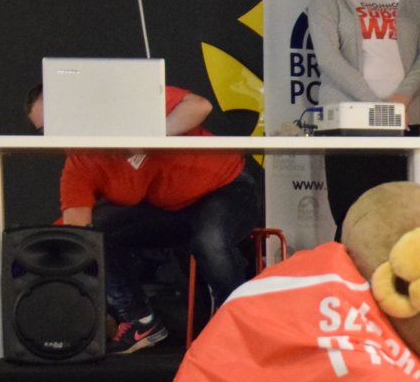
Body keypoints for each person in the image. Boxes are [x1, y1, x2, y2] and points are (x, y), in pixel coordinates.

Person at [27, 83, 258, 354]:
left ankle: (237, 324)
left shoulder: (128, 104)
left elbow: (199, 106)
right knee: (97, 233)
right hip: (173, 211)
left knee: (210, 240)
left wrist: (150, 137)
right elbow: (77, 230)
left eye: (58, 119)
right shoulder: (80, 163)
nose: (57, 132)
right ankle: (141, 321)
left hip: (226, 187)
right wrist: (41, 271)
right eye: (45, 130)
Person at [308, 0, 420, 231]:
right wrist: (375, 107)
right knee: (353, 220)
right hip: (349, 121)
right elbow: (328, 57)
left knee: (400, 221)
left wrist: (402, 98)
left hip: (403, 119)